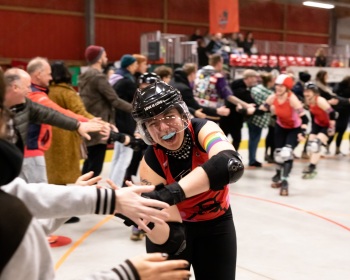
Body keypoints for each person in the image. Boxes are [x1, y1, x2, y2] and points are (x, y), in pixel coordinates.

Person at [0, 69, 191, 280]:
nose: (10, 120)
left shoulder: (11, 205)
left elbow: (23, 200)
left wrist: (103, 199)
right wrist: (126, 275)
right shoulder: (10, 221)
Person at [130, 81, 244, 280]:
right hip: (179, 225)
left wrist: (169, 193)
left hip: (217, 223)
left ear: (183, 115)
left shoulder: (203, 129)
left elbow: (231, 164)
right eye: (153, 123)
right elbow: (170, 237)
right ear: (146, 130)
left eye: (169, 117)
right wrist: (145, 217)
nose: (164, 128)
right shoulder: (150, 163)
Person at [79, 45, 132, 176]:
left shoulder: (84, 76)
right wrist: (135, 109)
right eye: (105, 56)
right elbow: (114, 100)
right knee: (95, 168)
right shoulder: (98, 77)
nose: (106, 58)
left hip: (89, 121)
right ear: (98, 59)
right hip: (100, 125)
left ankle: (83, 192)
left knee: (89, 164)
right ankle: (90, 195)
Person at [45, 61, 95, 185]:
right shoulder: (67, 92)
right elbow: (80, 112)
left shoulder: (46, 91)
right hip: (65, 137)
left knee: (52, 174)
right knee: (65, 175)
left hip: (47, 136)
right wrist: (98, 122)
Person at [260, 74, 308, 196]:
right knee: (278, 153)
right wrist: (245, 110)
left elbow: (305, 119)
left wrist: (303, 132)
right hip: (280, 127)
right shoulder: (272, 97)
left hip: (294, 129)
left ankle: (285, 180)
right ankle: (278, 173)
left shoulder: (292, 99)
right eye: (277, 85)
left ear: (287, 88)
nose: (279, 88)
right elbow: (261, 110)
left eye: (282, 86)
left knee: (287, 153)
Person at [109, 54, 138, 188]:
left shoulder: (116, 78)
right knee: (124, 158)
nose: (137, 66)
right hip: (126, 121)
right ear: (130, 65)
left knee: (117, 156)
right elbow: (137, 99)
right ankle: (116, 187)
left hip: (117, 120)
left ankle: (112, 183)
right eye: (135, 64)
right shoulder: (127, 81)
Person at [302, 82, 336, 178]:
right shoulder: (308, 101)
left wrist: (331, 128)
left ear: (314, 92)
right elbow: (313, 115)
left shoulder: (320, 100)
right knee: (310, 148)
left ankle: (311, 167)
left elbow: (332, 114)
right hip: (317, 124)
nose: (306, 93)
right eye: (305, 91)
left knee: (315, 144)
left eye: (308, 91)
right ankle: (313, 165)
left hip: (327, 125)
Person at [247, 72, 275, 167]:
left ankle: (252, 158)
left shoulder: (255, 89)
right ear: (270, 81)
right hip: (260, 118)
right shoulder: (270, 93)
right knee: (255, 140)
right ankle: (252, 159)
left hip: (251, 116)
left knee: (252, 139)